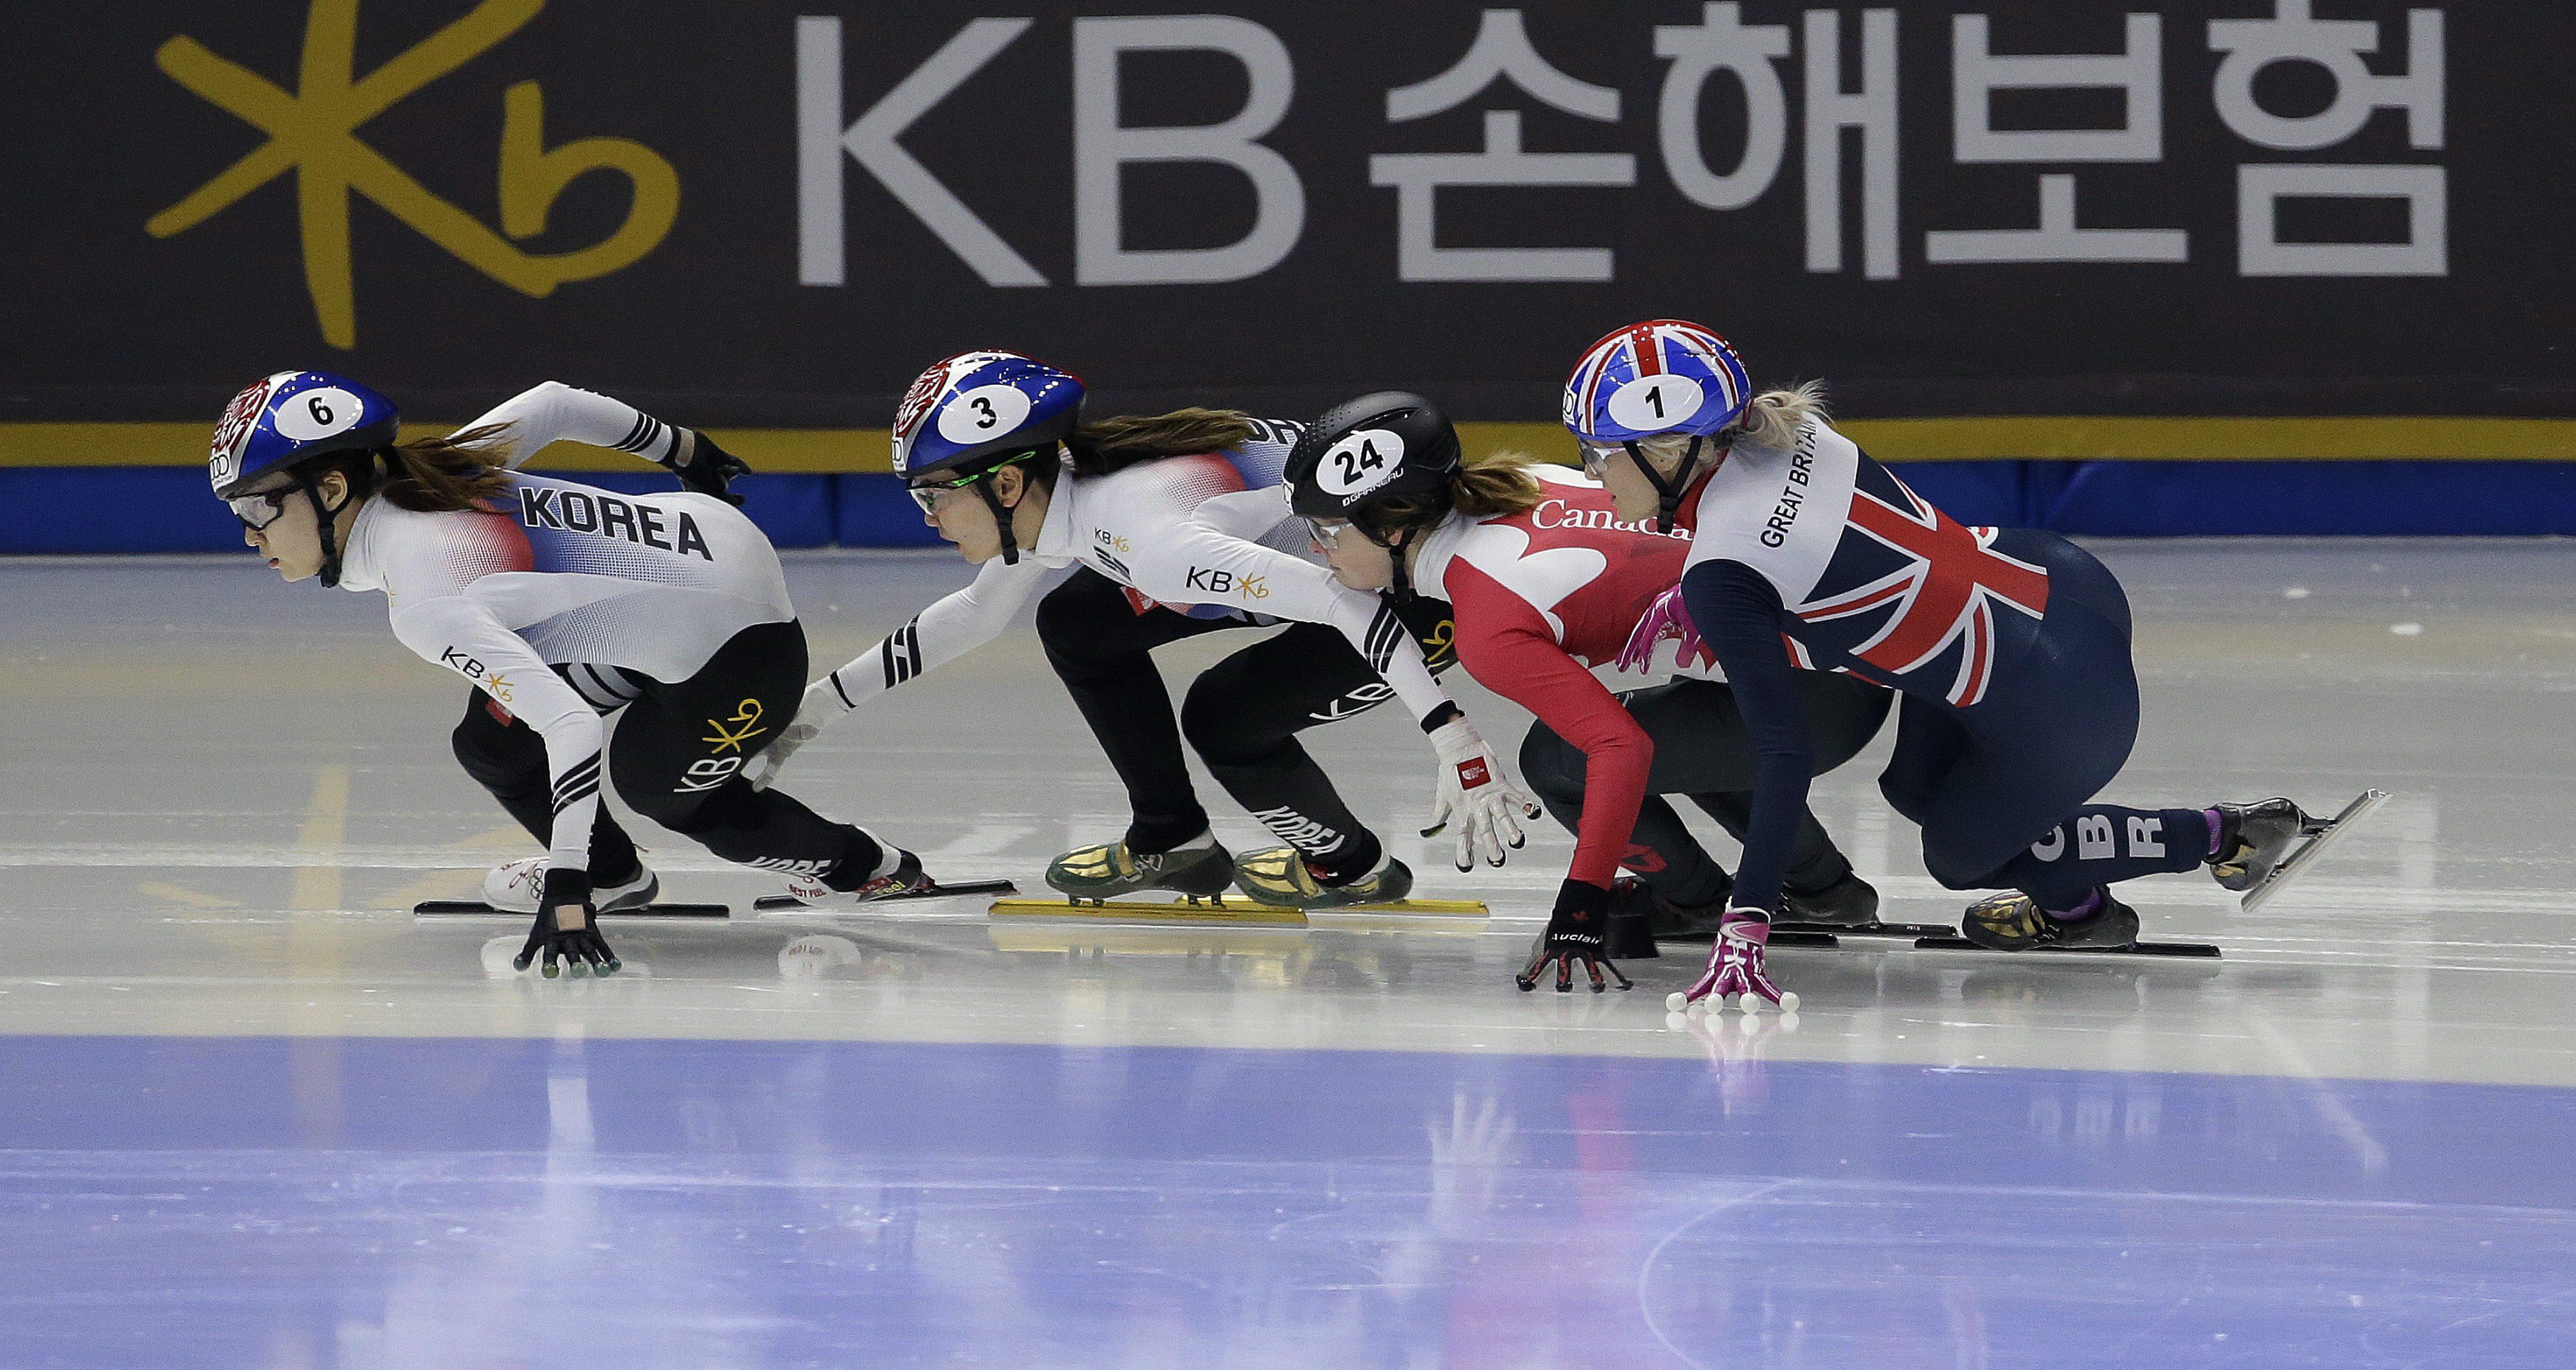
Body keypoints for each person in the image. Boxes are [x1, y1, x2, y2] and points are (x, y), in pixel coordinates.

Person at [1558, 320, 2336, 1008]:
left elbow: (1781, 751)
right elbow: (1823, 562)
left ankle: (2202, 846)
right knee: (1913, 787)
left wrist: (1747, 917)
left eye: (1598, 454)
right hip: (2055, 578)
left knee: (1960, 856)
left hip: (2054, 691)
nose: (1592, 473)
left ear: (1671, 451)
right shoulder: (1785, 431)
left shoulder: (1723, 570)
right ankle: (2091, 894)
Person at [210, 370, 934, 977]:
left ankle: (865, 864)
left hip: (743, 651)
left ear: (332, 488)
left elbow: (571, 724)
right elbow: (556, 400)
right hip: (700, 557)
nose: (248, 533)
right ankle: (616, 874)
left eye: (255, 506)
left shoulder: (425, 594)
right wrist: (685, 450)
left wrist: (564, 886)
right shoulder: (442, 464)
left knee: (663, 791)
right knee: (492, 743)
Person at [754, 353, 1537, 906]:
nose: (926, 520)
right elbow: (972, 614)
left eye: (931, 496)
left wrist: (1450, 735)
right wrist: (807, 715)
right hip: (1327, 568)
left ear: (1004, 481)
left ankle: (1350, 864)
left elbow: (1346, 604)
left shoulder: (1151, 539)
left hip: (1416, 597)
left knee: (1225, 716)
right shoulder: (1073, 498)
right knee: (1077, 620)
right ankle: (1173, 837)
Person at [1282, 393, 1890, 993]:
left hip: (1814, 703)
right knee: (1682, 712)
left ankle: (1700, 901)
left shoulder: (1487, 626)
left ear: (1391, 527)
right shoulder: (1523, 480)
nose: (1316, 547)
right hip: (1854, 656)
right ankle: (1822, 888)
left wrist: (1581, 905)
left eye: (1328, 529)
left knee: (1555, 758)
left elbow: (1620, 750)